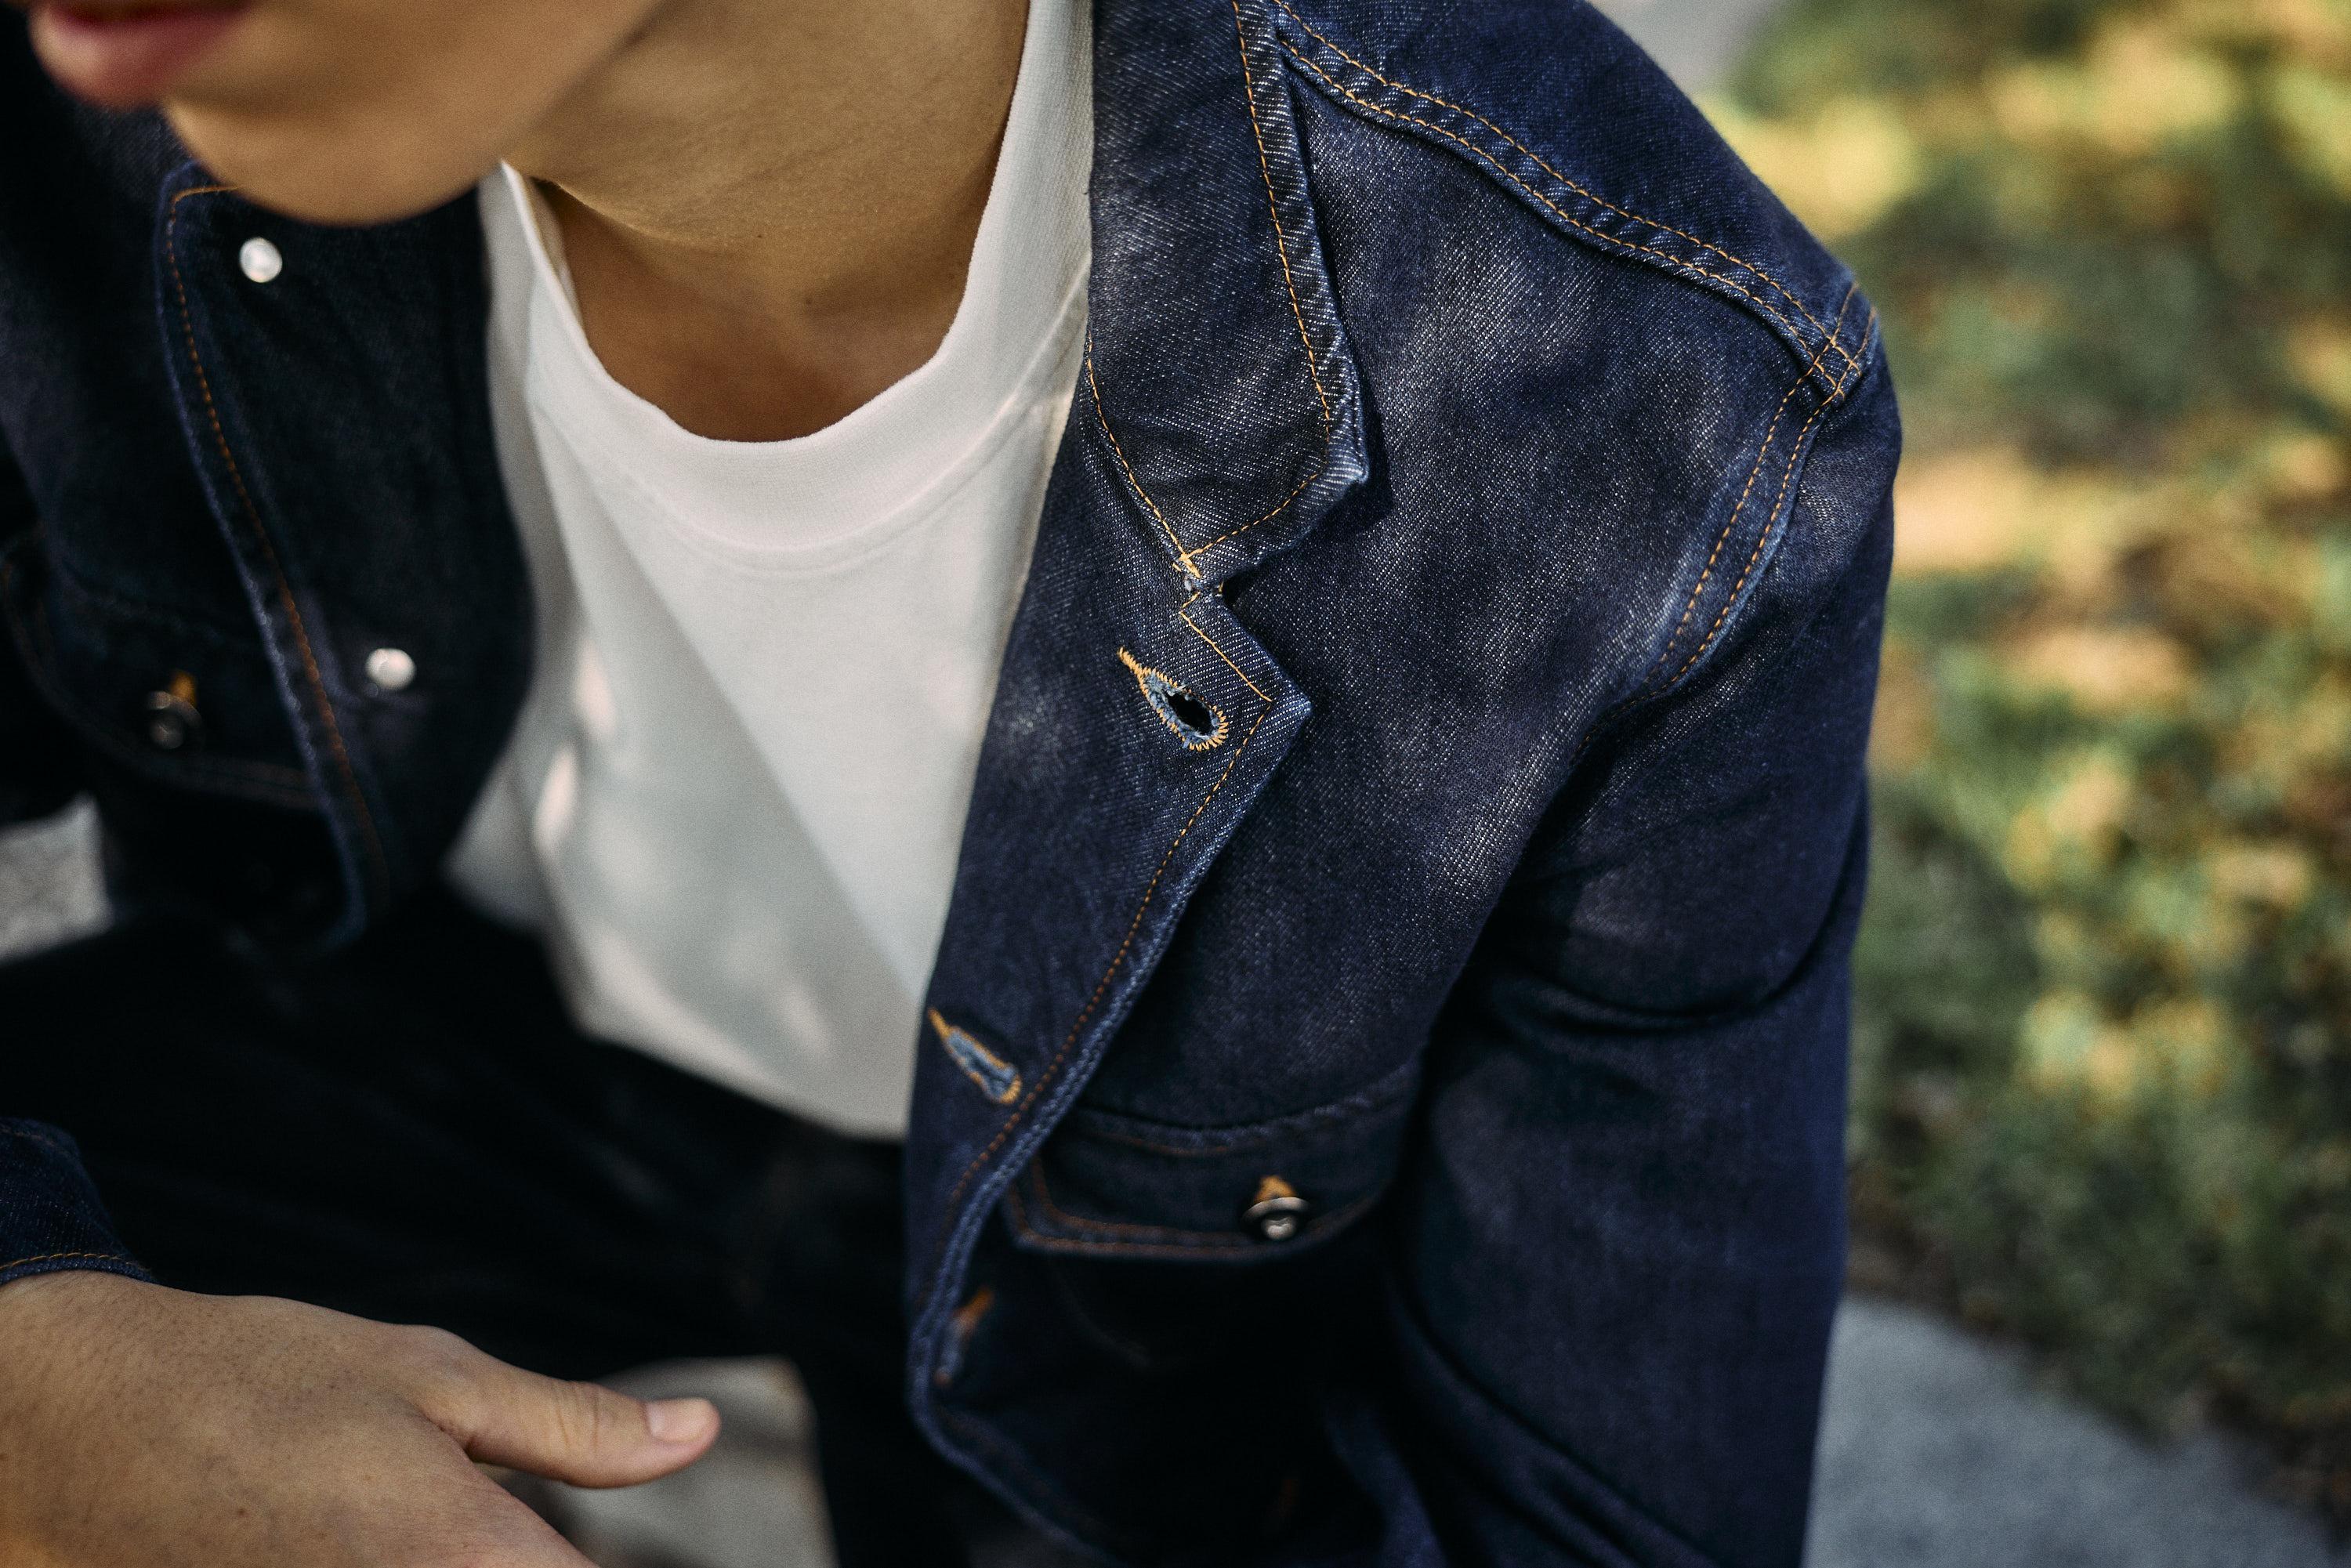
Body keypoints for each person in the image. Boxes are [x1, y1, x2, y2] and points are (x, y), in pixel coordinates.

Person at [0, 0, 1898, 1560]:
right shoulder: (72, 117)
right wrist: (41, 1374)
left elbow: (1585, 1514)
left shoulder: (1626, 391)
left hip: (1118, 1301)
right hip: (426, 1033)